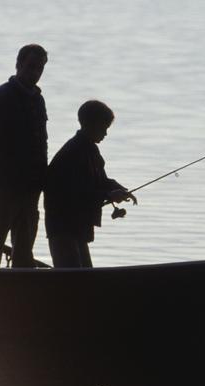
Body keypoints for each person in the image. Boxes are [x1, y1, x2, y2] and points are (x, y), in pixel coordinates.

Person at [0, 44, 48, 267]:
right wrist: (6, 180)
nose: (35, 72)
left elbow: (41, 144)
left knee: (24, 255)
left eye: (40, 68)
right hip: (3, 191)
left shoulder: (37, 100)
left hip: (31, 193)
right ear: (18, 64)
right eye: (31, 66)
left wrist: (39, 180)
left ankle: (18, 297)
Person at [44, 100, 137, 268]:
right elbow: (74, 193)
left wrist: (119, 189)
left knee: (84, 276)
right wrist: (108, 195)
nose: (105, 134)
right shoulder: (73, 152)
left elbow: (100, 181)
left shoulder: (90, 150)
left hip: (77, 227)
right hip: (63, 227)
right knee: (74, 280)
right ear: (90, 124)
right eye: (104, 128)